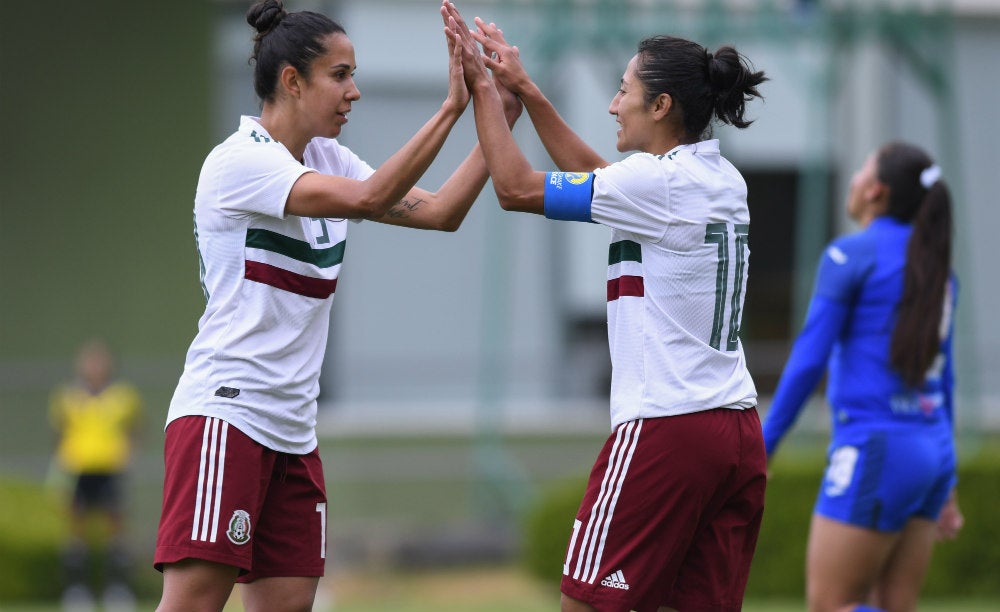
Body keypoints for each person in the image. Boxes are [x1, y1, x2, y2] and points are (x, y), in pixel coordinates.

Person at [152, 1, 520, 611]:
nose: (355, 91)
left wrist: (499, 109)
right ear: (292, 81)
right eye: (341, 75)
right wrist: (452, 106)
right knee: (193, 602)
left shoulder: (325, 157)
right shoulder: (241, 162)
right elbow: (376, 195)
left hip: (293, 431)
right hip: (228, 415)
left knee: (289, 604)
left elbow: (440, 212)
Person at [443, 3, 768, 610]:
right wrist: (530, 91)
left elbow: (515, 188)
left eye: (624, 92)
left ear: (662, 106)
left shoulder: (656, 185)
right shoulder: (720, 179)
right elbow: (604, 179)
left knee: (587, 603)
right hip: (736, 431)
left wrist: (485, 90)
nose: (614, 105)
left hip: (667, 428)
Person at [760, 142, 963, 612]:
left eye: (861, 169)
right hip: (930, 449)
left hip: (877, 447)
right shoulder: (937, 267)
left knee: (831, 604)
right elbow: (944, 378)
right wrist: (947, 477)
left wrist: (763, 447)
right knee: (891, 604)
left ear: (876, 191)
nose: (852, 178)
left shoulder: (850, 254)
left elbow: (809, 359)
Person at [50, 338, 142, 612]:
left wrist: (128, 455)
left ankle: (118, 591)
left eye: (99, 361)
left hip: (110, 470)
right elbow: (58, 433)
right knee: (76, 534)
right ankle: (77, 591)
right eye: (89, 361)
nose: (94, 366)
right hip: (78, 470)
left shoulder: (123, 397)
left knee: (117, 532)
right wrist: (61, 468)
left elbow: (136, 429)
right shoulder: (67, 397)